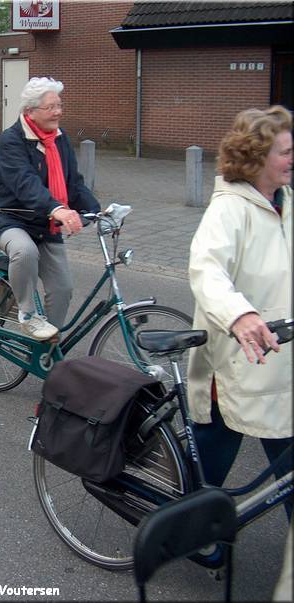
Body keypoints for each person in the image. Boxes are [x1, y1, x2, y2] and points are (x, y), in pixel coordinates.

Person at [188, 105, 292, 514]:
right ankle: (188, 527)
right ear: (256, 157)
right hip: (238, 358)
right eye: (284, 152)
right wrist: (241, 314)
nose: (292, 159)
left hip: (279, 358)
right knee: (213, 452)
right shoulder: (229, 209)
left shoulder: (286, 203)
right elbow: (207, 269)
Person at [0, 77, 100, 340]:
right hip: (9, 218)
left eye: (59, 105)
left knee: (62, 288)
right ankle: (27, 314)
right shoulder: (11, 140)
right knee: (24, 251)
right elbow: (26, 184)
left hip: (45, 223)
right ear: (30, 111)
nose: (58, 112)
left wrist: (98, 211)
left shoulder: (59, 139)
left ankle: (49, 344)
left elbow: (74, 184)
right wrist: (57, 209)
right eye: (51, 107)